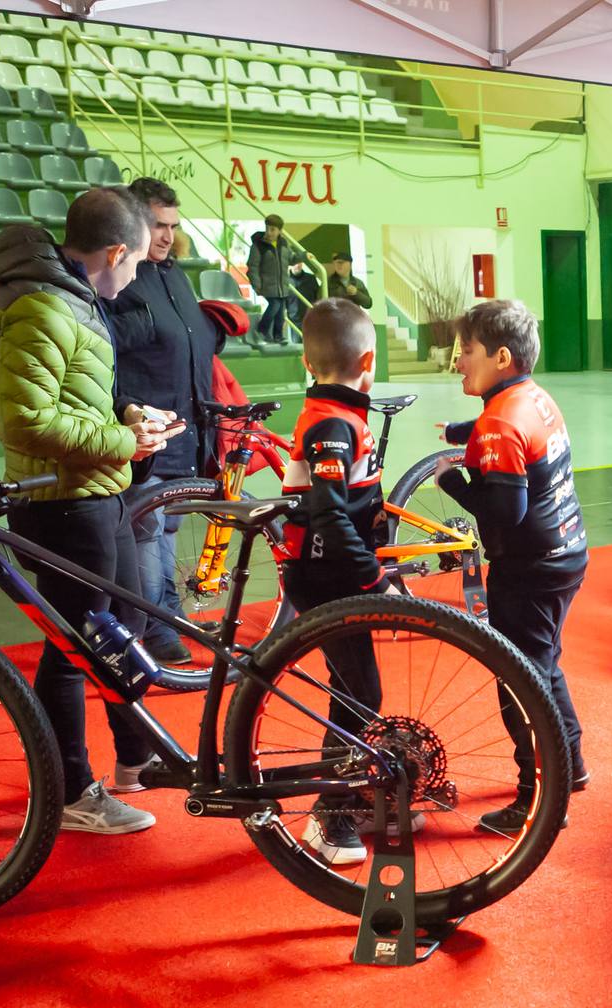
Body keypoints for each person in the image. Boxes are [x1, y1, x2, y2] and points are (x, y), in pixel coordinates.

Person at [0, 186, 180, 835]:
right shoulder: (41, 306)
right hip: (63, 503)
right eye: (134, 263)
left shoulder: (68, 296)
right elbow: (26, 421)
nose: (135, 278)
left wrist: (126, 416)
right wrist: (126, 440)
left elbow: (75, 396)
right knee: (72, 649)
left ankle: (135, 762)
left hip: (97, 492)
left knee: (122, 633)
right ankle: (70, 793)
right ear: (117, 250)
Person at [437, 298, 589, 831]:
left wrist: (454, 483)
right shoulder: (531, 396)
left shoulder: (501, 420)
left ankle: (539, 798)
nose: (459, 361)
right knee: (544, 664)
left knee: (520, 681)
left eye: (468, 351)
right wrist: (465, 434)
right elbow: (508, 430)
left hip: (529, 569)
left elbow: (506, 509)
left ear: (501, 357)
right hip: (566, 555)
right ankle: (571, 766)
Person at [274, 295, 386, 867]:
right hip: (325, 577)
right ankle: (328, 814)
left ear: (305, 360)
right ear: (368, 360)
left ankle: (353, 795)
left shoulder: (340, 415)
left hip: (334, 573)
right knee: (360, 694)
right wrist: (373, 577)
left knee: (358, 691)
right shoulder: (332, 426)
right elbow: (329, 513)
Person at [109, 177, 219, 669]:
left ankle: (167, 618)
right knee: (148, 531)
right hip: (147, 430)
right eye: (158, 225)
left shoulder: (174, 274)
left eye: (173, 226)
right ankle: (152, 629)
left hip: (184, 429)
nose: (167, 235)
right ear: (133, 223)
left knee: (166, 528)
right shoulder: (123, 279)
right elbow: (109, 358)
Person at [246, 213, 306, 345]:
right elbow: (253, 266)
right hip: (267, 285)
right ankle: (262, 329)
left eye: (272, 229)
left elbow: (291, 259)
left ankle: (278, 335)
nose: (269, 232)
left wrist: (304, 256)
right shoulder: (258, 245)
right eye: (267, 228)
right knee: (275, 306)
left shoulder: (283, 243)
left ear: (280, 231)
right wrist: (257, 285)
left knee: (280, 312)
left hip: (282, 285)